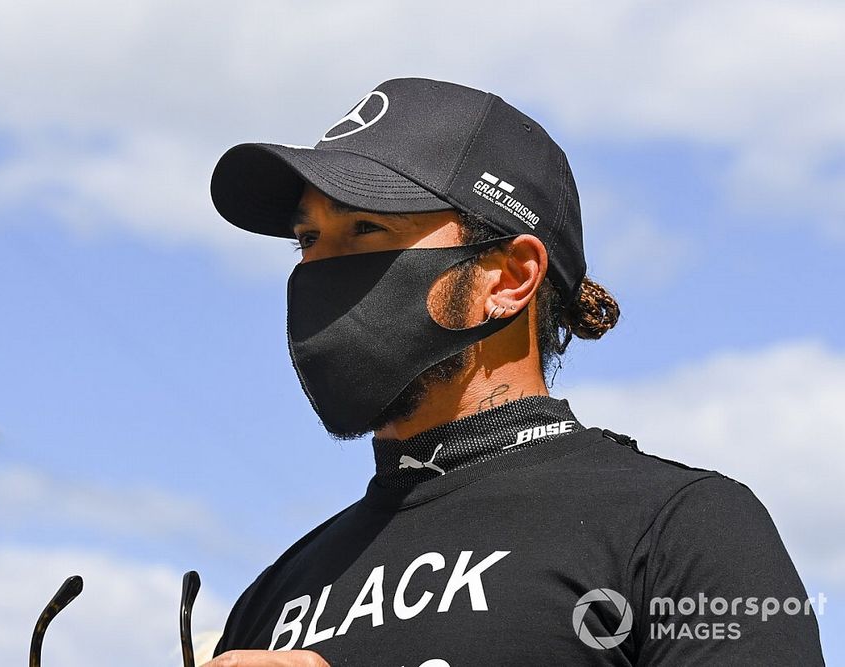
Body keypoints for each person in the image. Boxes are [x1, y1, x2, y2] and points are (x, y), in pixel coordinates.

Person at [204, 78, 824, 666]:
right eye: (307, 239)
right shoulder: (273, 596)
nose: (321, 269)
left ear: (509, 277)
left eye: (367, 228)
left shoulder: (682, 528)